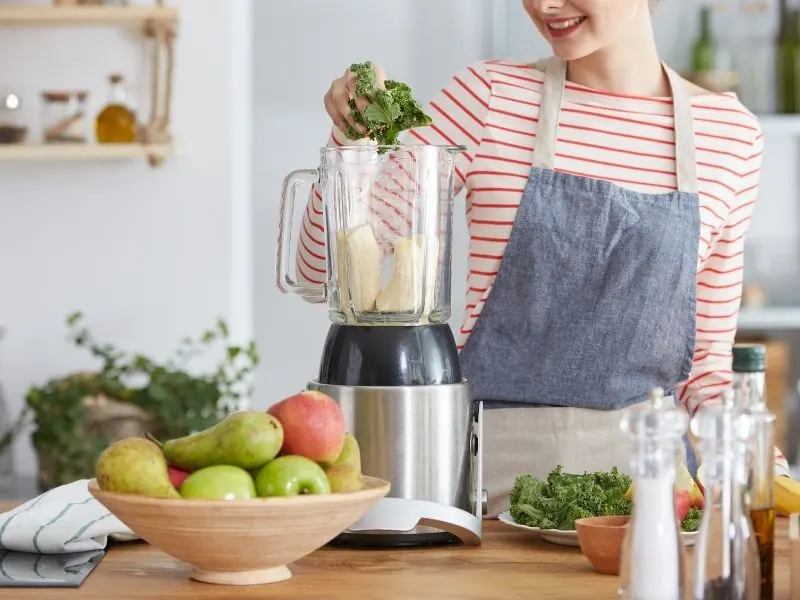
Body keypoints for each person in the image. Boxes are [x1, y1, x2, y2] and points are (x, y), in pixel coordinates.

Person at [300, 0, 791, 518]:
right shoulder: (489, 100)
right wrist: (352, 142)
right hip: (482, 496)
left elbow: (706, 369)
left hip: (650, 505)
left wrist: (767, 472)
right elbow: (320, 274)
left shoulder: (729, 136)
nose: (544, 5)